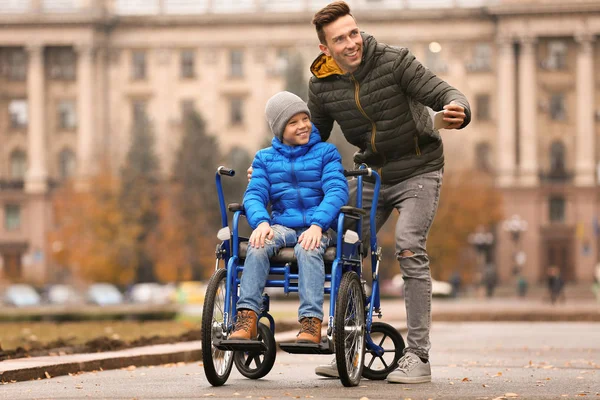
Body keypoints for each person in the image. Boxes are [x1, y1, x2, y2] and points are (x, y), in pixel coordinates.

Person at [307, 1, 471, 384]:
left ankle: (418, 357)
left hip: (419, 168)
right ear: (325, 49)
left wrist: (457, 108)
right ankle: (349, 347)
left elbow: (443, 91)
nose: (351, 43)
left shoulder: (395, 62)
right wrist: (272, 160)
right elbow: (310, 141)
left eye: (353, 32)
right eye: (340, 39)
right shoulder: (322, 86)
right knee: (344, 245)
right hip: (371, 175)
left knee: (408, 245)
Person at [228, 91, 349, 345]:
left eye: (305, 118)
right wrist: (261, 222)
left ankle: (310, 323)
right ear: (280, 129)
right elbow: (254, 195)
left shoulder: (326, 153)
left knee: (308, 247)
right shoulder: (264, 159)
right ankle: (247, 318)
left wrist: (317, 225)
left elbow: (337, 190)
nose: (303, 126)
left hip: (318, 226)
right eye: (293, 122)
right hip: (281, 225)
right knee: (258, 244)